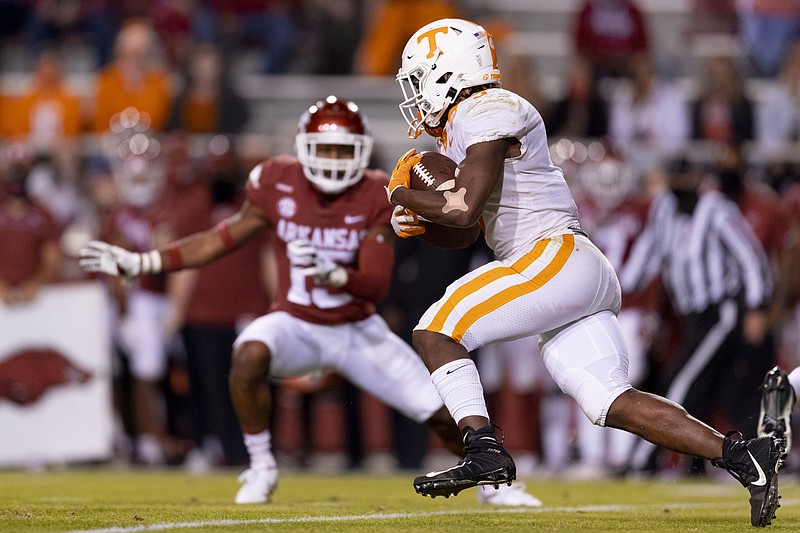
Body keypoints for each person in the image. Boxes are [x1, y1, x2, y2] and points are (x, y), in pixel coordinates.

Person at [387, 17, 783, 527]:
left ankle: (483, 447)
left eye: (420, 79)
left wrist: (400, 193)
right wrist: (420, 220)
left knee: (435, 329)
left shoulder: (487, 107)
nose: (417, 95)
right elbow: (464, 231)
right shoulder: (470, 127)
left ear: (448, 72)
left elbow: (461, 208)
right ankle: (744, 456)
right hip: (568, 266)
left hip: (550, 257)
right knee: (608, 399)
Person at [79, 95, 540, 507]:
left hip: (356, 329)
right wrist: (142, 263)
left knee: (440, 413)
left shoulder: (375, 191)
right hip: (295, 321)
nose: (336, 159)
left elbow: (375, 285)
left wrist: (336, 274)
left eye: (344, 149)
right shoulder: (277, 181)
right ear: (302, 148)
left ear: (361, 151)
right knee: (249, 352)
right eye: (326, 149)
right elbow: (219, 240)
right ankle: (261, 465)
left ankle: (495, 485)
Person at [619, 156, 775, 477]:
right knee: (706, 388)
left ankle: (643, 461)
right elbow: (649, 251)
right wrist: (617, 287)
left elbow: (750, 257)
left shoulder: (716, 210)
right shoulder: (665, 208)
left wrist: (757, 307)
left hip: (722, 312)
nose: (679, 188)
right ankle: (696, 469)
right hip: (692, 317)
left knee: (681, 381)